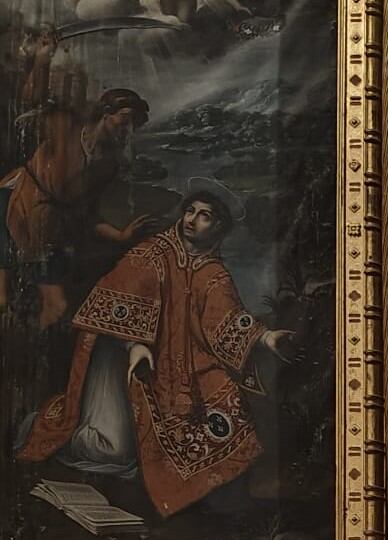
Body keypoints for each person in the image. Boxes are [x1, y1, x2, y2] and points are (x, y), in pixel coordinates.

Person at [16, 179, 293, 516]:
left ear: (218, 226)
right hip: (125, 362)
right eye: (190, 211)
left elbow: (227, 318)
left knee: (228, 408)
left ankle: (214, 503)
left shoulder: (214, 273)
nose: (191, 219)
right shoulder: (151, 254)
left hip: (187, 365)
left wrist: (265, 337)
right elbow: (111, 302)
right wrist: (134, 343)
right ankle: (40, 425)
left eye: (204, 215)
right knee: (111, 451)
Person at [0, 30, 153, 325]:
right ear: (106, 115)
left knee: (57, 309)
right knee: (3, 300)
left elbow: (87, 216)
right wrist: (43, 60)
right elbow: (33, 100)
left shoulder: (108, 167)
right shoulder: (66, 126)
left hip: (47, 234)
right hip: (10, 207)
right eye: (124, 121)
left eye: (134, 124)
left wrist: (120, 236)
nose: (129, 130)